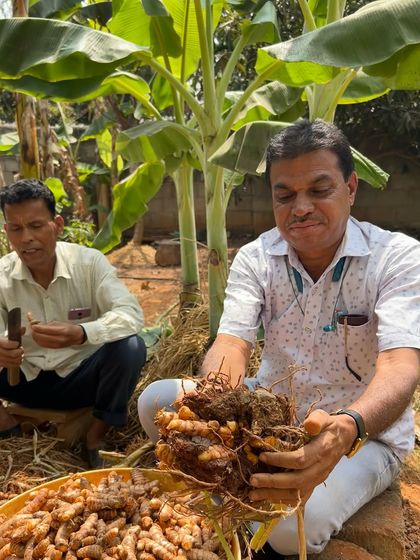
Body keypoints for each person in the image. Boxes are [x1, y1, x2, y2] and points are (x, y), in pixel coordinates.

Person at [138, 119, 420, 556]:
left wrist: (346, 429)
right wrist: (217, 407)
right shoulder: (257, 257)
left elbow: (401, 365)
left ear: (351, 188)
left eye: (319, 189)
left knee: (288, 532)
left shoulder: (397, 258)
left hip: (362, 434)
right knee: (156, 401)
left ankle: (247, 507)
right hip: (271, 412)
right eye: (284, 195)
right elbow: (232, 343)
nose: (300, 208)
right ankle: (227, 499)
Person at [0, 179, 146, 468]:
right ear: (7, 232)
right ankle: (6, 427)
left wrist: (80, 333)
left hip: (81, 380)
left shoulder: (89, 263)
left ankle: (95, 438)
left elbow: (131, 315)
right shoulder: (2, 274)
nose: (26, 237)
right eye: (16, 229)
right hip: (21, 380)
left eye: (36, 225)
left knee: (130, 347)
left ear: (57, 224)